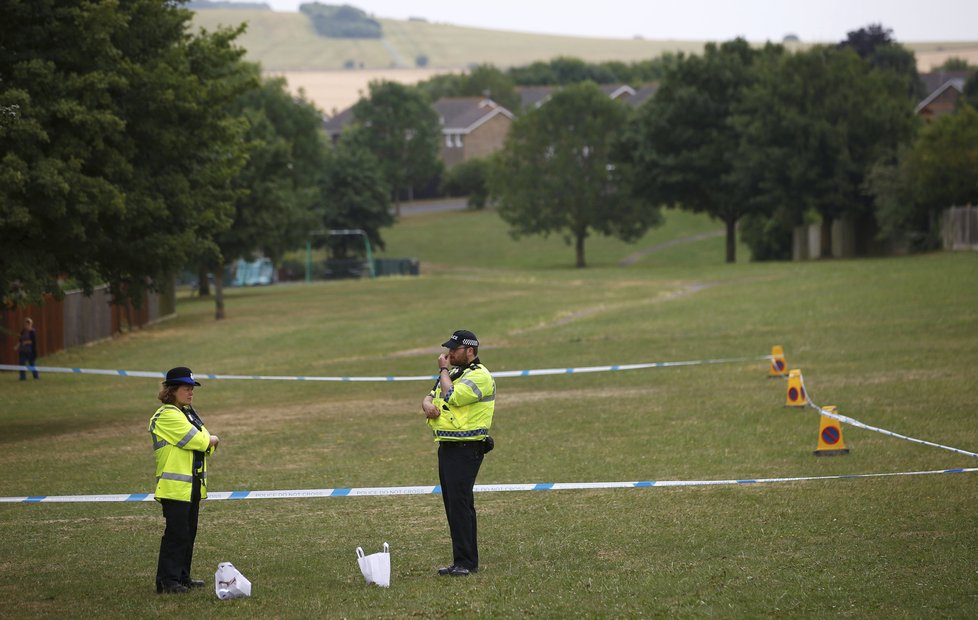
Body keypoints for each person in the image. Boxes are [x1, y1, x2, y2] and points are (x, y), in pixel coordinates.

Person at [421, 329, 496, 577]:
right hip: (448, 447)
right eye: (449, 349)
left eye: (455, 349)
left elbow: (451, 396)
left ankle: (466, 562)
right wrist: (427, 405)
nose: (449, 353)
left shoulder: (480, 376)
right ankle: (461, 560)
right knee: (453, 505)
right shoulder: (455, 372)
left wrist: (442, 371)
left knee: (461, 505)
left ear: (470, 351)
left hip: (468, 448)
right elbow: (430, 395)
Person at [149, 367, 219, 594]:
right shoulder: (167, 415)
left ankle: (182, 577)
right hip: (175, 486)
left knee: (189, 532)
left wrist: (208, 441)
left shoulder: (188, 413)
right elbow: (200, 440)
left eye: (192, 389)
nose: (190, 393)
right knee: (176, 534)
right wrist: (209, 440)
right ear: (172, 390)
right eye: (186, 388)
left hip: (193, 483)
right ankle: (167, 582)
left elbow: (206, 443)